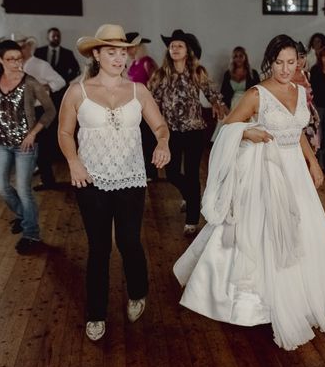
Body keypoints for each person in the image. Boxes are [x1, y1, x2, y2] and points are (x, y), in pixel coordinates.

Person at [173, 34, 325, 351]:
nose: (285, 69)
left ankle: (307, 291)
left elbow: (297, 131)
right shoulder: (257, 94)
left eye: (291, 62)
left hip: (295, 171)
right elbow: (228, 125)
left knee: (303, 230)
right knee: (262, 232)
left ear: (299, 62)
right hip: (265, 169)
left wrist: (312, 163)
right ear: (269, 62)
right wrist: (249, 130)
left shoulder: (299, 90)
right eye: (279, 63)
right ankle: (255, 301)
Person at [57, 24, 170, 342]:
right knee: (99, 248)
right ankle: (96, 314)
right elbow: (64, 132)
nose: (119, 58)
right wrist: (73, 162)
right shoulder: (77, 91)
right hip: (89, 178)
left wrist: (163, 143)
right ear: (96, 54)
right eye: (112, 52)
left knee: (130, 242)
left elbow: (160, 126)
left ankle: (137, 292)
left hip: (131, 177)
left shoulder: (138, 91)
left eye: (123, 53)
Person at [0, 40, 56, 254]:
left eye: (19, 58)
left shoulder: (31, 82)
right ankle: (24, 216)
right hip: (0, 142)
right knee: (0, 187)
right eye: (10, 59)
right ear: (0, 60)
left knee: (23, 190)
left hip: (24, 145)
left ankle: (31, 234)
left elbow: (50, 110)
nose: (16, 62)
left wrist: (33, 133)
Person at [149, 29, 226, 235]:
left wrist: (219, 106)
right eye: (172, 45)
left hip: (194, 131)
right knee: (172, 173)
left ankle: (192, 218)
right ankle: (190, 195)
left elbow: (213, 93)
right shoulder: (160, 75)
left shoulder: (197, 72)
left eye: (179, 45)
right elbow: (150, 100)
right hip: (169, 132)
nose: (174, 48)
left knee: (192, 174)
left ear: (187, 51)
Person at [11, 33, 66, 190]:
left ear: (29, 47)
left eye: (22, 46)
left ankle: (48, 181)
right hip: (23, 111)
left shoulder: (41, 65)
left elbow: (60, 81)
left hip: (40, 109)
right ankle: (31, 179)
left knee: (42, 147)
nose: (20, 51)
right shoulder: (16, 66)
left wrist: (45, 87)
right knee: (28, 146)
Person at [125, 32, 160, 181]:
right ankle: (140, 168)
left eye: (129, 47)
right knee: (137, 138)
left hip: (146, 105)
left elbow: (156, 83)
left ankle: (151, 172)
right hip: (134, 107)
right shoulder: (133, 63)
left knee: (148, 139)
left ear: (136, 47)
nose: (126, 50)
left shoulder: (147, 62)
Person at [291, 41, 320, 153]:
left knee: (311, 153)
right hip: (293, 118)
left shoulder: (307, 74)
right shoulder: (286, 76)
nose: (299, 61)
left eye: (302, 57)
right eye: (295, 57)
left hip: (309, 116)